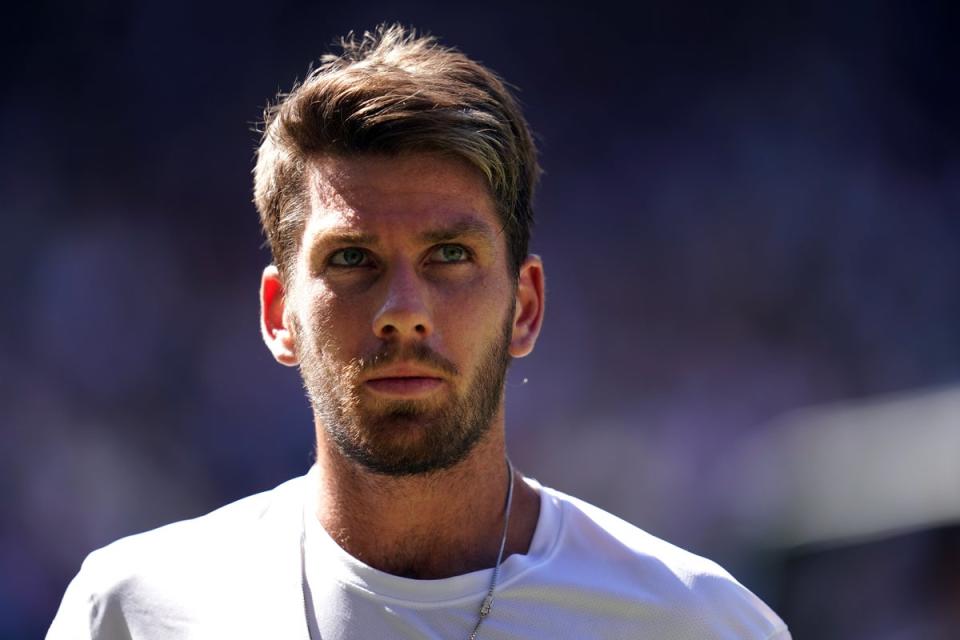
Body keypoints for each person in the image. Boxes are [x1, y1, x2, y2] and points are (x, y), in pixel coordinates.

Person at [48, 24, 791, 639]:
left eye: (450, 256)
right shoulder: (129, 612)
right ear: (280, 317)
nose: (403, 307)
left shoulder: (695, 623)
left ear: (525, 308)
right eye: (351, 259)